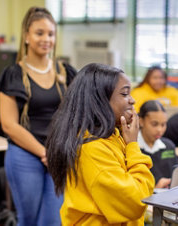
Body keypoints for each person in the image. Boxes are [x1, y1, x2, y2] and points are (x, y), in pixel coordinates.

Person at [46, 63, 155, 225]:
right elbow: (136, 202)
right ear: (100, 100)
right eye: (124, 94)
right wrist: (133, 146)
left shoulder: (114, 135)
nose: (132, 100)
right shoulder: (92, 148)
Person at [0, 7, 76, 225]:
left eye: (50, 34)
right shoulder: (12, 75)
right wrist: (43, 152)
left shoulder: (66, 72)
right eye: (39, 33)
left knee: (53, 220)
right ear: (26, 36)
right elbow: (9, 124)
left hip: (58, 155)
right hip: (24, 155)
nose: (46, 39)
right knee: (29, 220)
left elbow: (76, 113)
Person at [138, 100, 178, 189]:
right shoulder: (133, 148)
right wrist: (154, 188)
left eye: (163, 124)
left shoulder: (169, 146)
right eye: (154, 124)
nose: (160, 130)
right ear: (141, 121)